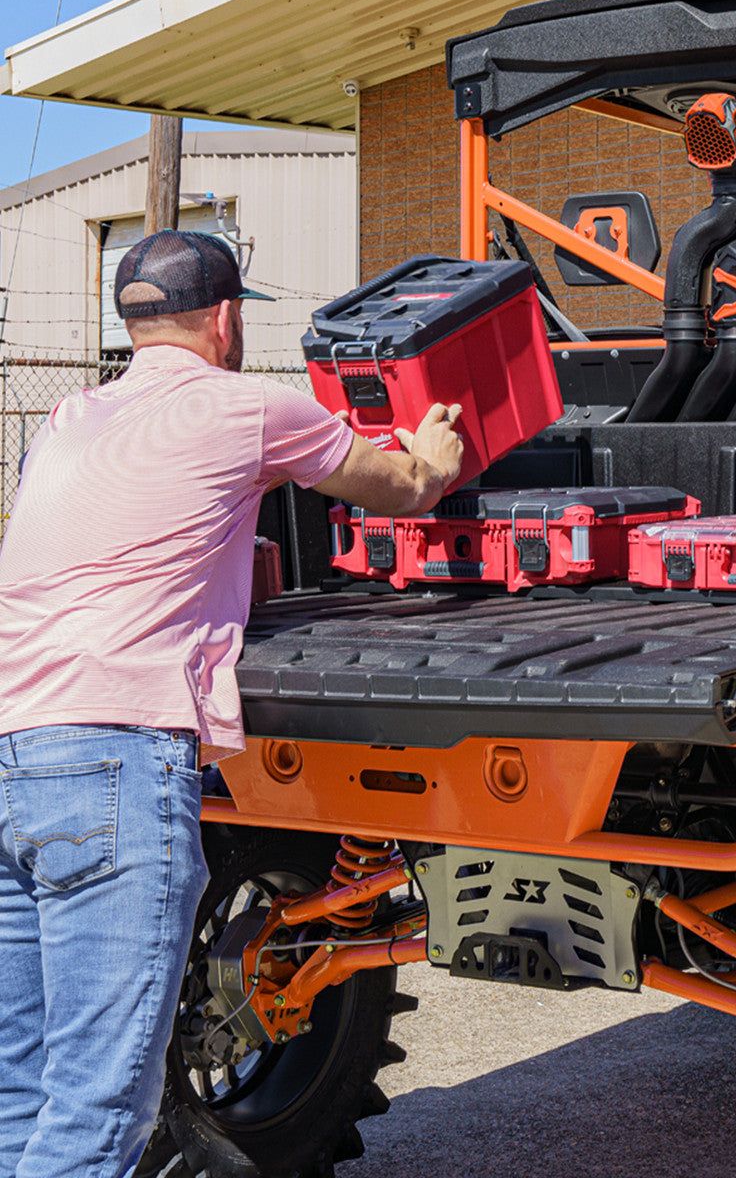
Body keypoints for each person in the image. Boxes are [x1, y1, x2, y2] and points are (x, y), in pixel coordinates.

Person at [0, 230, 464, 1177]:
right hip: (113, 767)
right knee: (98, 1112)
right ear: (226, 318)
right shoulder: (244, 406)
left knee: (23, 1092)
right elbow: (404, 487)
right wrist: (434, 448)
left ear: (130, 322)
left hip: (13, 756)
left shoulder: (70, 418)